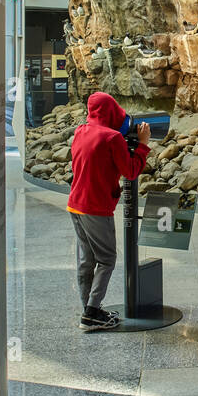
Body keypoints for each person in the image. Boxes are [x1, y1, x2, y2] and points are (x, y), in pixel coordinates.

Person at [68, 91, 150, 331]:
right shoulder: (112, 137)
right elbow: (131, 171)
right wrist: (143, 145)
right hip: (96, 207)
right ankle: (92, 313)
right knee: (106, 259)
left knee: (86, 260)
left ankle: (88, 309)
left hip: (75, 204)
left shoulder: (80, 131)